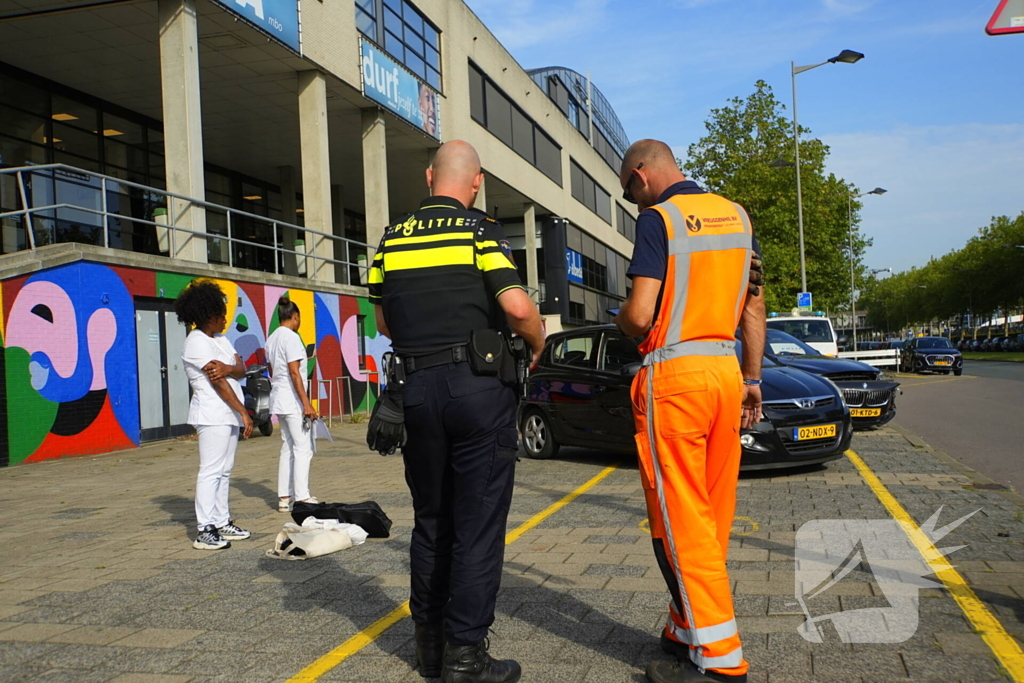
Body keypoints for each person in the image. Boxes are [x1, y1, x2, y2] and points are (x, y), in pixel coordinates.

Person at [367, 140, 544, 683]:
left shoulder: (391, 238)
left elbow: (384, 325)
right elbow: (516, 307)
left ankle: (429, 651)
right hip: (477, 390)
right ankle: (466, 656)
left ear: (428, 178)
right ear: (476, 183)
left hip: (416, 391)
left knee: (432, 522)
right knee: (478, 526)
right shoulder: (481, 232)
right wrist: (536, 342)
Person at [613, 140, 766, 683]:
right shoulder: (737, 217)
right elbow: (752, 304)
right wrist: (752, 378)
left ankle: (722, 660)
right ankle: (686, 624)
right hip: (727, 375)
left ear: (641, 175)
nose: (632, 202)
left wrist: (622, 324)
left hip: (674, 379)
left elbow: (640, 311)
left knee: (681, 517)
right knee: (713, 512)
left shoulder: (658, 220)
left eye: (628, 190)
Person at [175, 279, 254, 551]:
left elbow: (241, 369)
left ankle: (221, 521)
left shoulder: (220, 339)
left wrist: (229, 367)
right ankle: (204, 529)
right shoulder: (196, 342)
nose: (225, 319)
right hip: (212, 414)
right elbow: (217, 381)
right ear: (209, 314)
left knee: (225, 470)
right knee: (210, 470)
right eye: (221, 314)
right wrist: (244, 412)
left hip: (228, 414)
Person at [265, 295, 319, 513]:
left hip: (278, 399)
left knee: (287, 446)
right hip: (293, 401)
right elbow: (295, 373)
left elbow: (272, 370)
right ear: (295, 316)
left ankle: (284, 497)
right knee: (303, 448)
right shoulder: (292, 338)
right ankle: (303, 497)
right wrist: (307, 404)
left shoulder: (272, 339)